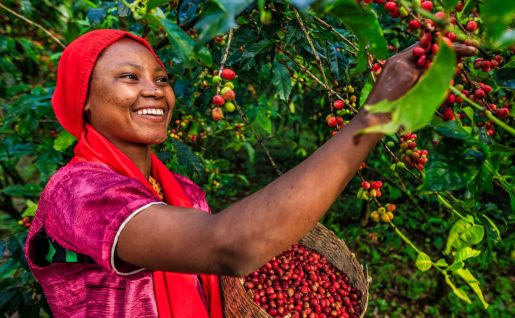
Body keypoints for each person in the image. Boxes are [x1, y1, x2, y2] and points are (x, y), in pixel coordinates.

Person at [24, 29, 475, 317]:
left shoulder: (181, 190)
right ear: (83, 98)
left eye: (161, 79)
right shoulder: (76, 192)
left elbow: (222, 269)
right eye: (128, 77)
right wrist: (371, 118)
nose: (153, 91)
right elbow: (229, 245)